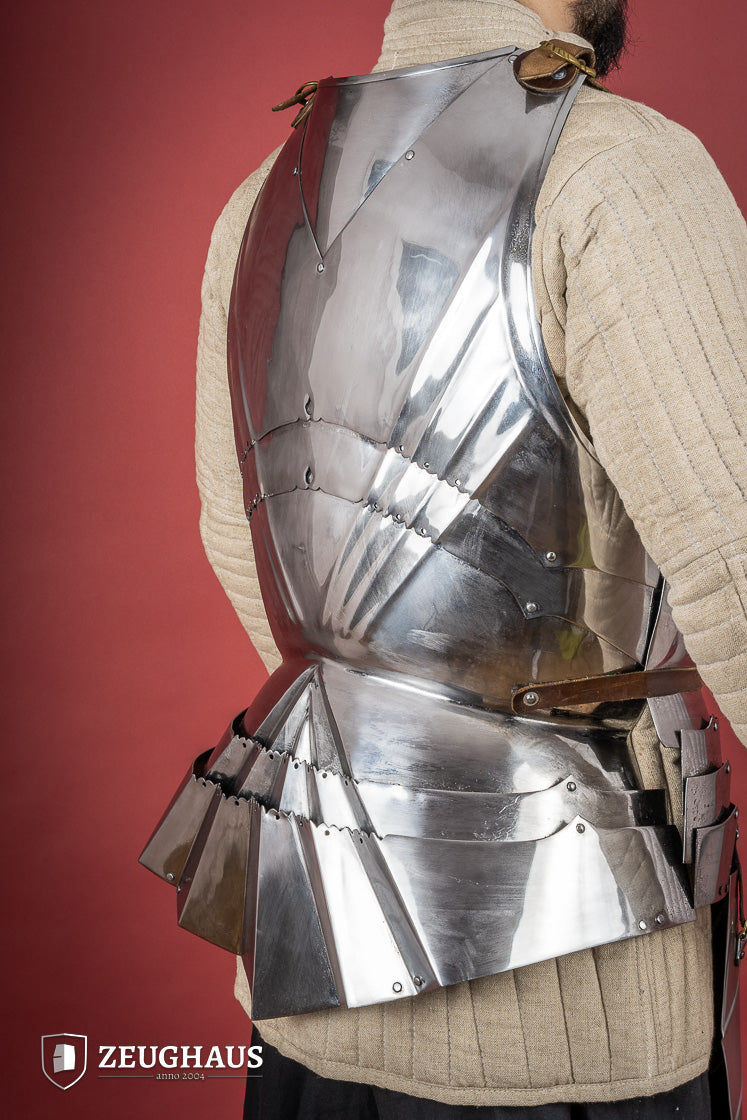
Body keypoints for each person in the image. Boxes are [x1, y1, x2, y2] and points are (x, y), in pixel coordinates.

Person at [143, 1, 747, 1116]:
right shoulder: (613, 168)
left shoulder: (267, 192)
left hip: (311, 969)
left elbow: (245, 539)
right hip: (576, 986)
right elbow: (736, 554)